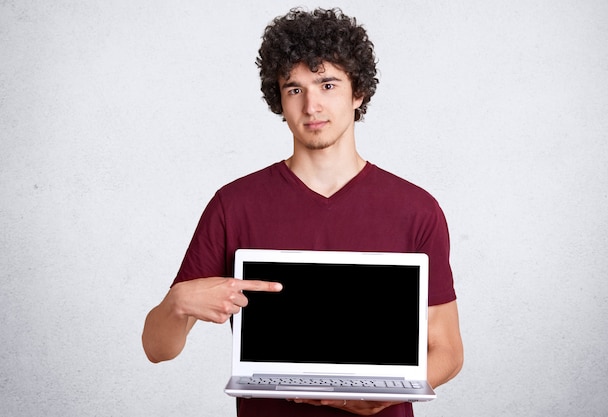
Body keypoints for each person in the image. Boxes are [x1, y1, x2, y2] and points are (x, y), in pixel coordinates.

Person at [142, 7, 463, 417]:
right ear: (279, 99)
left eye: (328, 84)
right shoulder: (234, 205)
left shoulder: (416, 209)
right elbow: (157, 349)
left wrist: (387, 394)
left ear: (358, 92)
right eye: (294, 89)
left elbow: (449, 350)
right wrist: (177, 303)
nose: (312, 105)